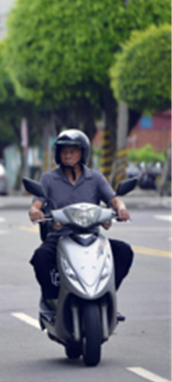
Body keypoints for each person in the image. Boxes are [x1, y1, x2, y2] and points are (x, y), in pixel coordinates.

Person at [27, 129, 134, 317]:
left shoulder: (95, 178)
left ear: (82, 153)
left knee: (124, 252)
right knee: (40, 258)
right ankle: (53, 301)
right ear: (58, 154)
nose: (68, 155)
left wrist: (121, 208)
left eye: (73, 151)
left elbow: (114, 199)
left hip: (92, 236)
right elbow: (37, 204)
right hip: (60, 236)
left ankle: (107, 297)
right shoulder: (49, 178)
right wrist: (35, 211)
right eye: (64, 151)